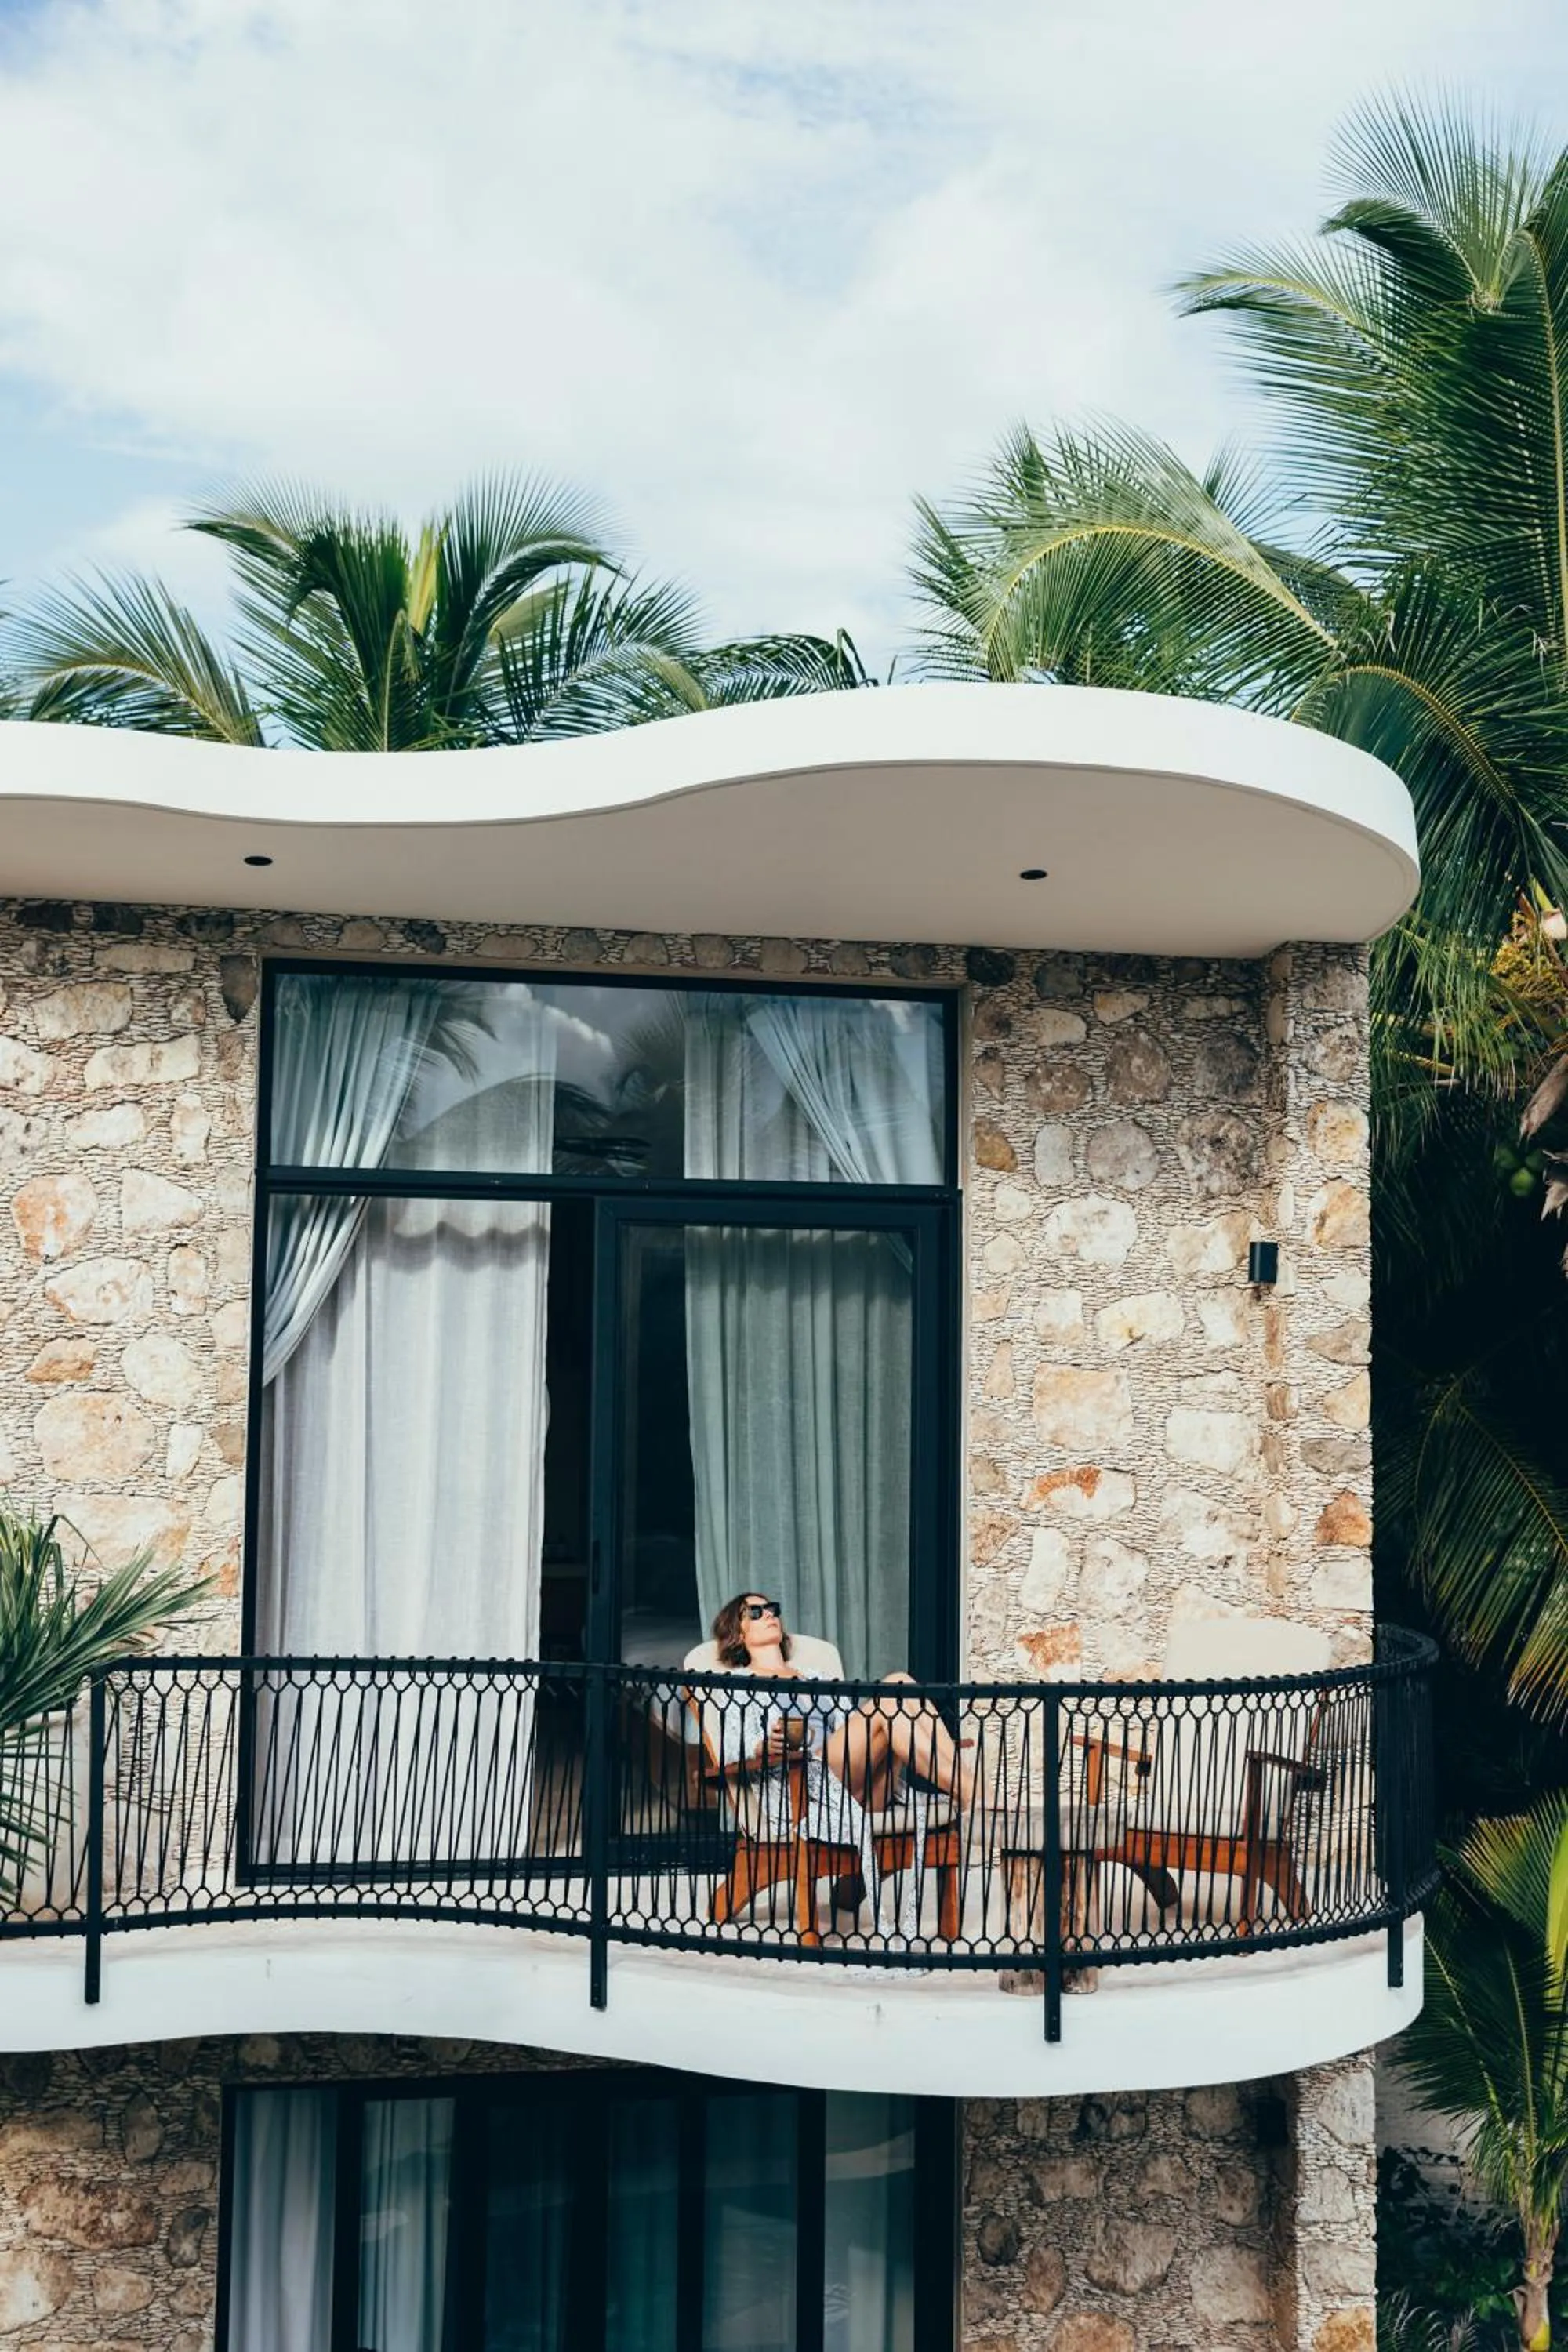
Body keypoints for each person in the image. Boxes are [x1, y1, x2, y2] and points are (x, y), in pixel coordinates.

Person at [707, 1591, 974, 1821]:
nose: (768, 1615)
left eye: (771, 1609)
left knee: (900, 1687)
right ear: (737, 1634)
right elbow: (729, 1750)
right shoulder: (740, 1686)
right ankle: (975, 1794)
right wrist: (762, 1747)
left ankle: (966, 1788)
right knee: (896, 1684)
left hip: (863, 1788)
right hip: (806, 1792)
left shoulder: (816, 1677)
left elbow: (850, 1728)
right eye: (755, 1612)